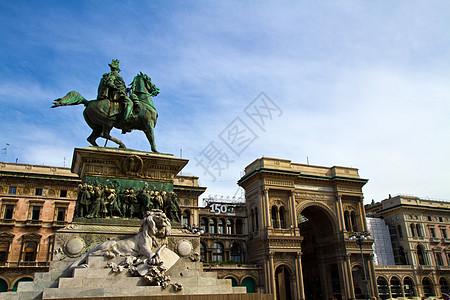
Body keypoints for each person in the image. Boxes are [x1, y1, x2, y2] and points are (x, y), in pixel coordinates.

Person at [97, 59, 133, 124]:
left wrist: (126, 89)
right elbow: (110, 83)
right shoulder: (113, 75)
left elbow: (120, 85)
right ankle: (125, 120)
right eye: (116, 69)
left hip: (119, 93)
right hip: (116, 95)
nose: (116, 71)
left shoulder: (114, 75)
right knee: (129, 102)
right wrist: (118, 89)